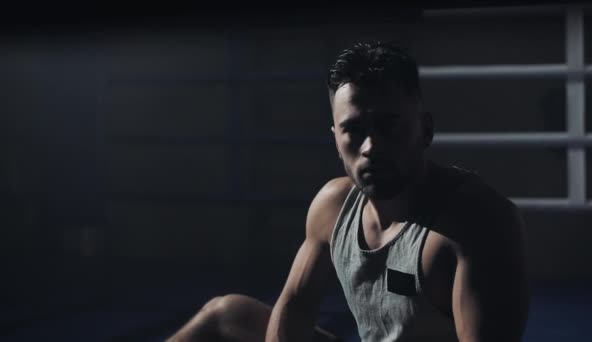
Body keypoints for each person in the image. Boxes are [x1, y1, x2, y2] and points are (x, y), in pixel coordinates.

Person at [167, 41, 529, 342]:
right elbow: (295, 306)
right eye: (354, 130)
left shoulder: (474, 221)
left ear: (425, 130)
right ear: (336, 141)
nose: (371, 146)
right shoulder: (333, 206)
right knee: (227, 314)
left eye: (388, 126)